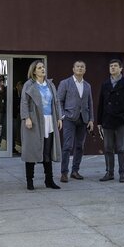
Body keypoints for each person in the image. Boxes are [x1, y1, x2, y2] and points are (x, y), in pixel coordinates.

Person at [21, 60, 63, 191]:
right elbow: (24, 102)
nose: (42, 69)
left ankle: (49, 180)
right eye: (39, 68)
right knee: (31, 151)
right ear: (34, 71)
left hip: (49, 120)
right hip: (34, 121)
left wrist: (59, 117)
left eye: (43, 67)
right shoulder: (29, 85)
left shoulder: (50, 84)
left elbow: (56, 102)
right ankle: (30, 180)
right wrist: (26, 118)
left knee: (47, 151)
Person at [57, 61, 94, 182]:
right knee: (67, 146)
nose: (80, 68)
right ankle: (64, 172)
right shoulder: (65, 83)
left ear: (85, 70)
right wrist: (62, 115)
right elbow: (59, 101)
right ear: (73, 69)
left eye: (82, 67)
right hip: (69, 119)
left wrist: (91, 119)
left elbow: (90, 103)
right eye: (77, 66)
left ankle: (75, 171)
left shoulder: (87, 85)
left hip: (83, 120)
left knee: (80, 146)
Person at [97, 59, 124, 183]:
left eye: (115, 66)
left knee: (121, 148)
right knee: (108, 147)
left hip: (122, 119)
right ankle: (109, 172)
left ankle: (122, 173)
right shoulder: (105, 83)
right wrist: (99, 121)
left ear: (121, 68)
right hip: (107, 119)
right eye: (111, 66)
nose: (112, 68)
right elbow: (101, 103)